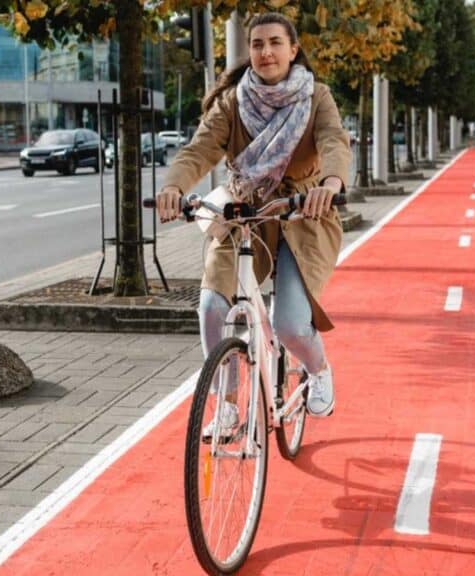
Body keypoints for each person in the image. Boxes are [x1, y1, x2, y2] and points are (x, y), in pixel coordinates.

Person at [156, 12, 351, 433]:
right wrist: (173, 187)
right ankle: (225, 402)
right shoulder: (233, 103)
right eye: (258, 44)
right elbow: (198, 151)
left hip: (304, 214)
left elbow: (334, 139)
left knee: (290, 324)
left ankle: (318, 370)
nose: (265, 52)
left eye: (275, 42)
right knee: (212, 304)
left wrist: (331, 183)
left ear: (293, 50)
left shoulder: (317, 96)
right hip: (245, 213)